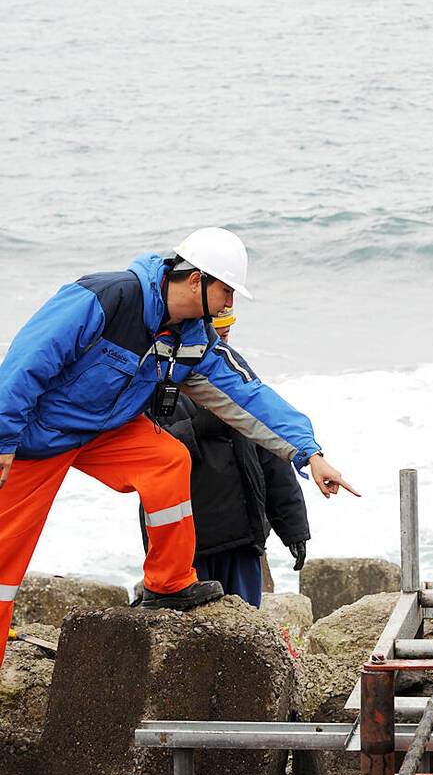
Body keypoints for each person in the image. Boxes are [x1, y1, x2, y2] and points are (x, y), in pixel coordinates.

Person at [0, 227, 358, 665]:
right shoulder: (105, 297)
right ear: (195, 280)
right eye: (226, 290)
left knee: (168, 460)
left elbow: (249, 395)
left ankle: (168, 583)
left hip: (105, 431)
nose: (229, 303)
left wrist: (310, 453)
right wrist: (4, 436)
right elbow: (27, 360)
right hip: (36, 434)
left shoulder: (194, 340)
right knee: (4, 562)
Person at [137, 305, 310, 607]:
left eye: (225, 336)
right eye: (212, 336)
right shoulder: (151, 381)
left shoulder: (239, 384)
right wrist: (195, 429)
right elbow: (138, 455)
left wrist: (293, 526)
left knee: (246, 623)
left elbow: (272, 456)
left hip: (244, 538)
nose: (219, 346)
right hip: (185, 547)